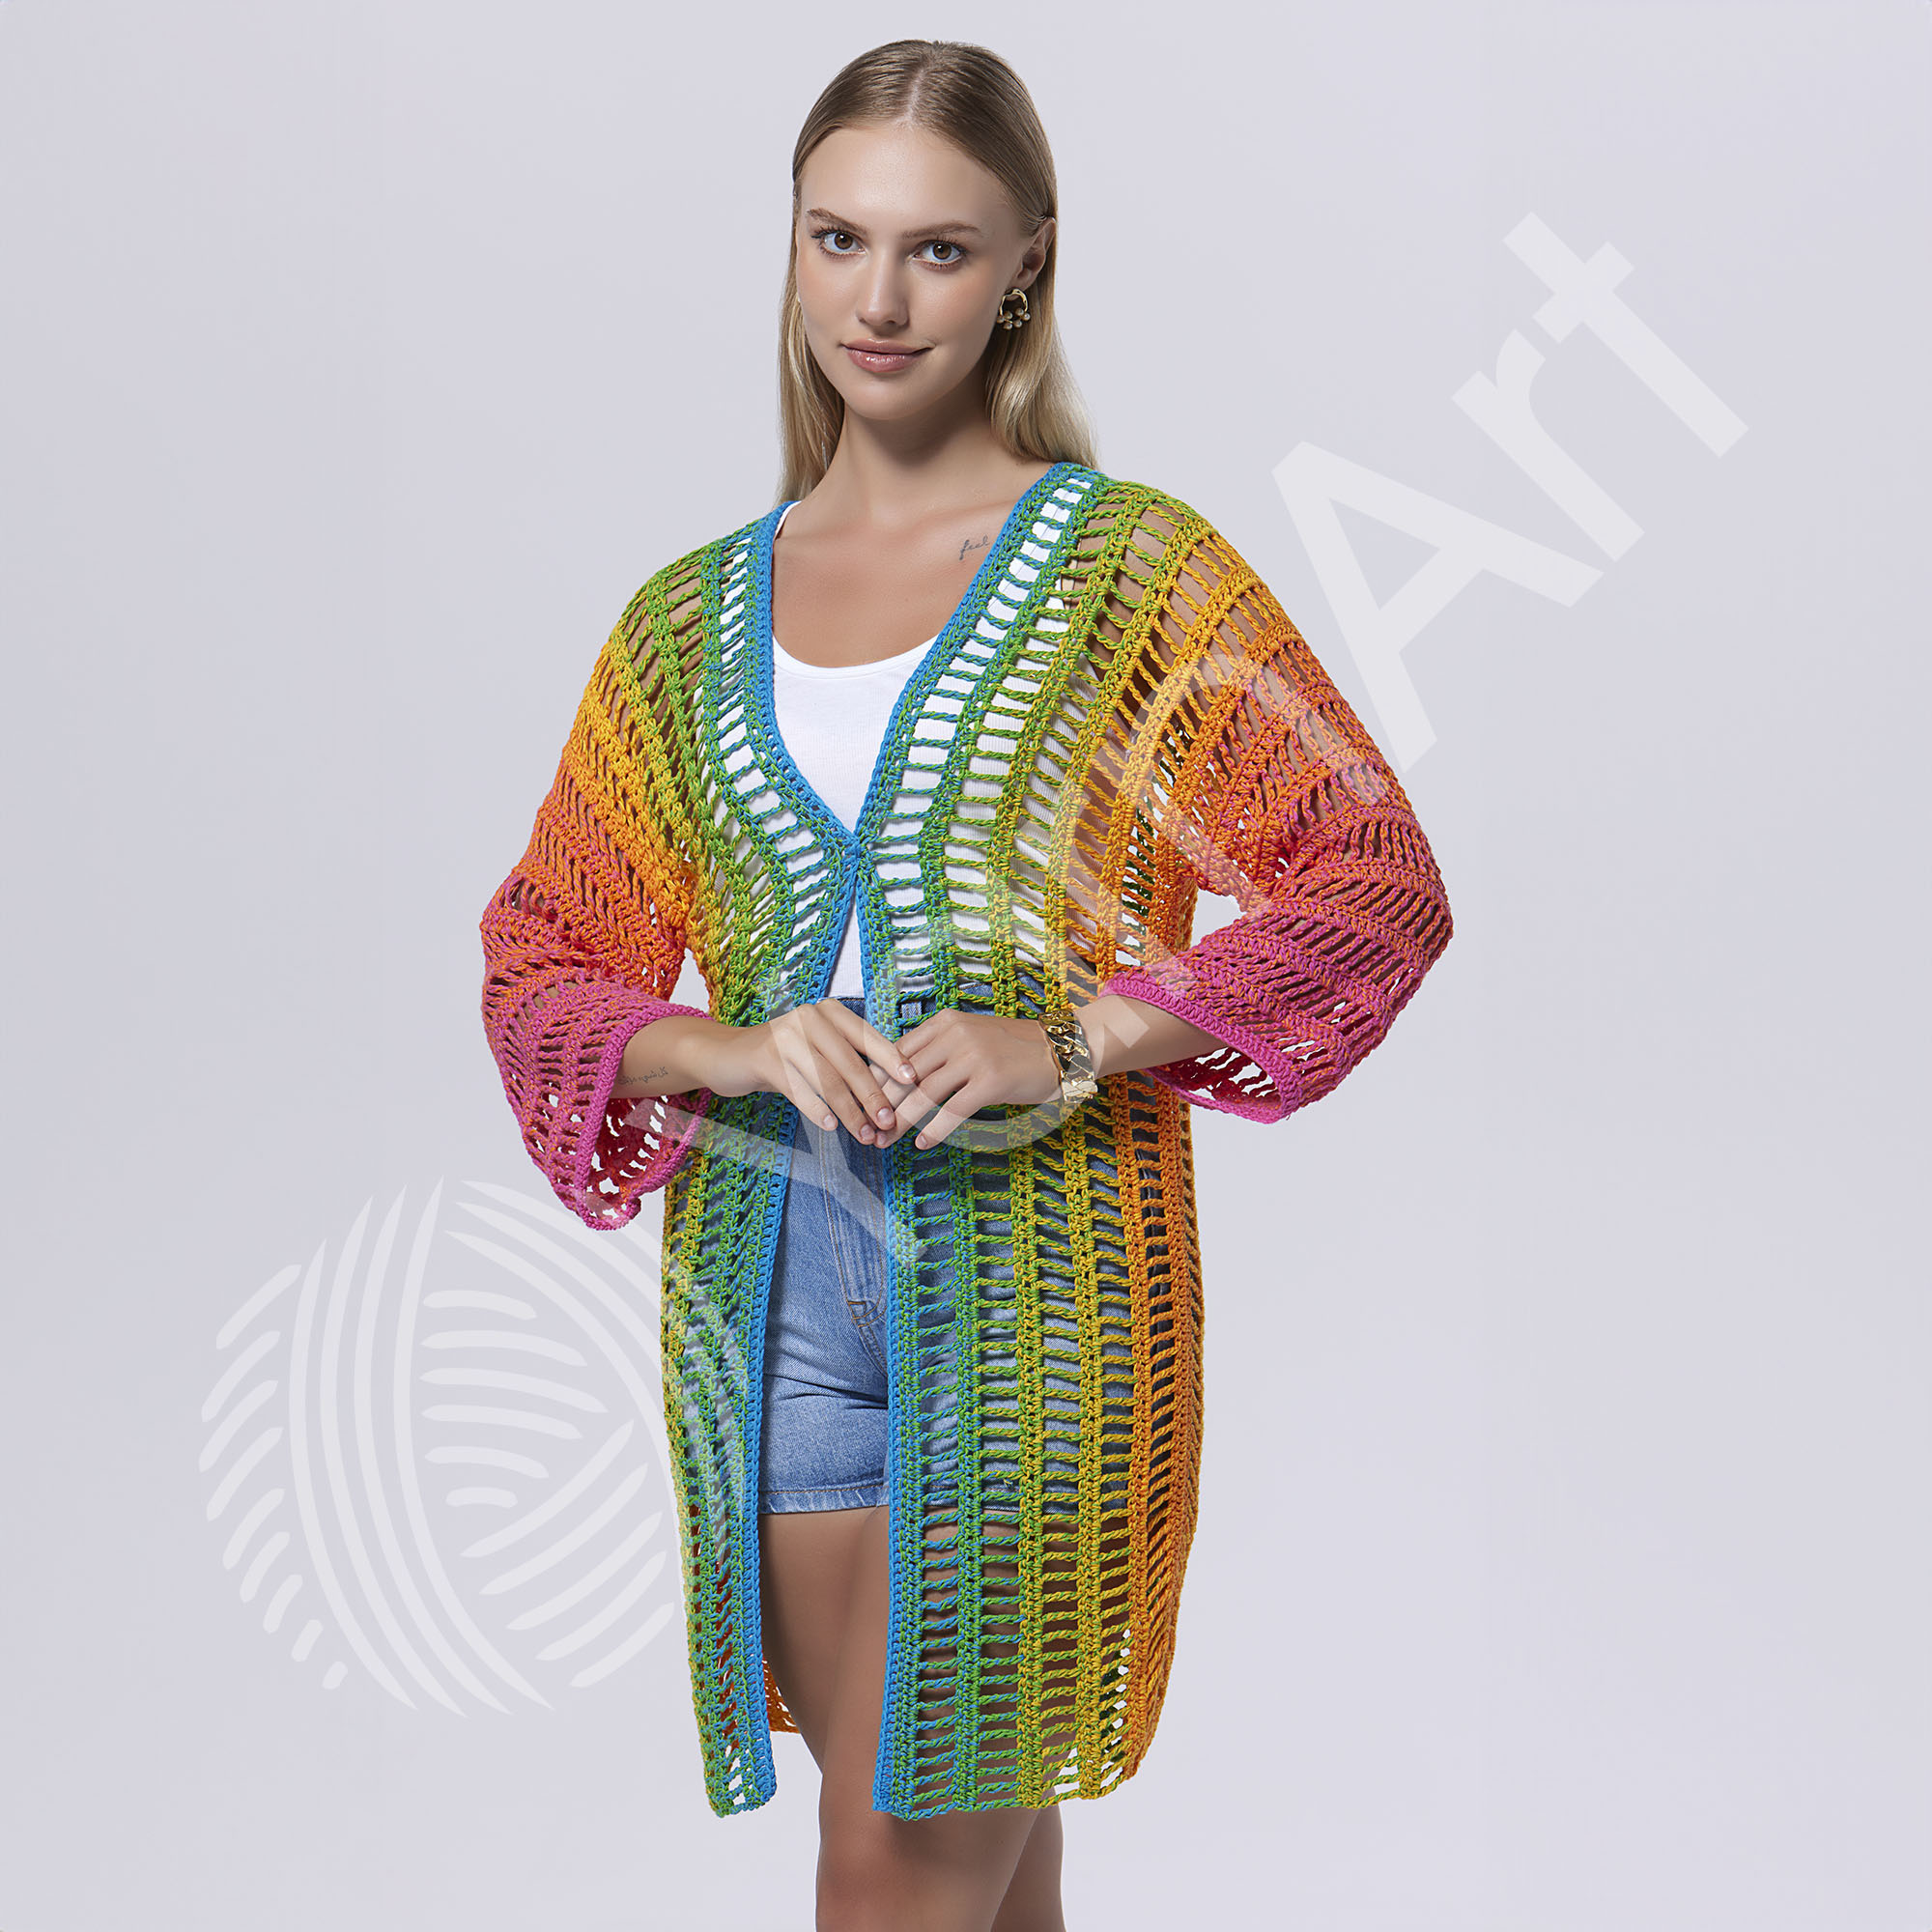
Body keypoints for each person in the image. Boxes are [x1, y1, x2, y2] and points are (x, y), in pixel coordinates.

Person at [478, 37, 1454, 1932]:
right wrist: (730, 1043)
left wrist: (1077, 1035)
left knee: (892, 1873)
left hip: (1040, 1295)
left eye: (938, 248)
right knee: (967, 1882)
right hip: (770, 1294)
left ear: (1025, 265)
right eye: (835, 237)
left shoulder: (1126, 575)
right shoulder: (685, 621)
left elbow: (1368, 871)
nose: (877, 296)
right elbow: (543, 960)